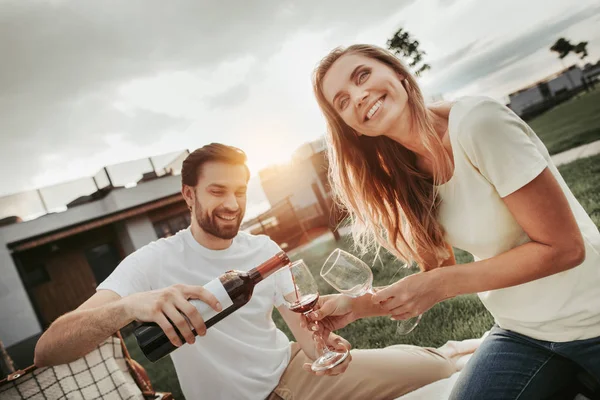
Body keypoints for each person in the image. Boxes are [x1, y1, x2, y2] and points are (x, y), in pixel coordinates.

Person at [33, 143, 466, 400]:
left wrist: (323, 349)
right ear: (189, 195)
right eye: (217, 191)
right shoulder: (151, 262)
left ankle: (444, 354)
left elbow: (307, 334)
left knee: (438, 374)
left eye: (240, 191)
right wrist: (129, 306)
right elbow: (48, 350)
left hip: (293, 374)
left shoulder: (262, 249)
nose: (232, 204)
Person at [308, 44, 600, 399]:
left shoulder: (479, 124)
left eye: (362, 75)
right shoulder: (405, 173)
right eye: (342, 101)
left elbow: (566, 248)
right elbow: (437, 272)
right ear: (350, 127)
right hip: (522, 332)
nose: (359, 96)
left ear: (397, 71)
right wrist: (355, 307)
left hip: (592, 318)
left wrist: (445, 283)